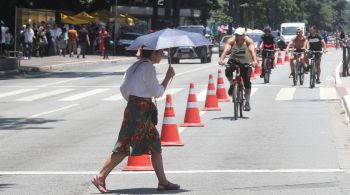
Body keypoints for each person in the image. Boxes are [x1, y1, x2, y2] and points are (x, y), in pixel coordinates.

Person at [91, 48, 180, 193]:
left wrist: (134, 100)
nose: (162, 56)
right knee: (125, 145)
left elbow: (123, 88)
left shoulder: (135, 66)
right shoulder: (148, 67)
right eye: (160, 53)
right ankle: (100, 176)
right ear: (153, 54)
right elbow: (158, 92)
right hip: (141, 111)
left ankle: (163, 182)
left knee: (155, 144)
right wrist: (168, 77)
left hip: (134, 107)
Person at [218, 28, 258, 111]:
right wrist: (221, 59)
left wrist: (254, 61)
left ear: (243, 35)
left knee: (247, 81)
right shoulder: (231, 40)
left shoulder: (248, 41)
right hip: (234, 59)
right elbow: (226, 50)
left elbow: (252, 51)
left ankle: (247, 102)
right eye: (236, 35)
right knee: (228, 70)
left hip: (246, 61)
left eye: (239, 35)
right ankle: (232, 84)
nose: (237, 37)